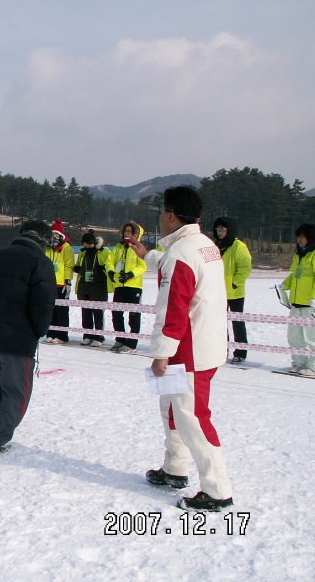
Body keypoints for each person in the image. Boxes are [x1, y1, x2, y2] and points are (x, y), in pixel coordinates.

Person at [132, 186, 233, 512]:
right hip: (202, 344)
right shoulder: (203, 246)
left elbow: (174, 308)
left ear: (171, 215)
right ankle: (175, 468)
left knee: (192, 418)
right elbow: (172, 263)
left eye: (162, 212)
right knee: (172, 410)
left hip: (187, 352)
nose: (160, 217)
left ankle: (217, 491)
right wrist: (147, 254)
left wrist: (161, 354)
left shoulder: (182, 254)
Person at [0, 220, 56, 455]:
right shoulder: (40, 262)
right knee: (18, 392)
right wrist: (38, 331)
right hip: (17, 337)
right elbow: (43, 304)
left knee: (9, 378)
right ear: (44, 240)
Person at [213, 217, 252, 364]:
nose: (220, 232)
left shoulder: (238, 246)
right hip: (218, 291)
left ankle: (240, 352)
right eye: (218, 229)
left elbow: (245, 268)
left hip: (234, 292)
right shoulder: (215, 245)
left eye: (223, 229)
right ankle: (222, 350)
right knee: (219, 323)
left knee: (237, 323)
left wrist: (235, 283)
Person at [106, 221, 147, 354]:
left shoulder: (138, 247)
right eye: (125, 231)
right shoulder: (118, 247)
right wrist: (110, 271)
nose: (127, 233)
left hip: (134, 286)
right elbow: (109, 262)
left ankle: (132, 343)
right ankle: (121, 339)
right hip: (119, 285)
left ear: (135, 233)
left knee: (133, 315)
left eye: (130, 231)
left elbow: (143, 266)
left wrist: (130, 274)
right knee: (116, 314)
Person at [282, 224, 315, 376]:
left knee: (312, 337)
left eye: (303, 237)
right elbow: (294, 274)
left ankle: (314, 366)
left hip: (310, 303)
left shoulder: (314, 254)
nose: (300, 240)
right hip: (295, 302)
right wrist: (285, 285)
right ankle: (299, 362)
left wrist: (314, 297)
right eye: (298, 237)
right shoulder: (298, 255)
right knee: (295, 335)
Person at [74, 230, 111, 346]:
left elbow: (109, 264)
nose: (88, 246)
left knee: (98, 313)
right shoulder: (83, 253)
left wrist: (103, 269)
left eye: (90, 244)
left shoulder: (103, 251)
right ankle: (87, 335)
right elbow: (79, 266)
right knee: (86, 312)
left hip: (98, 287)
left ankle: (98, 336)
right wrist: (78, 269)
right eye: (86, 244)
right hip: (85, 286)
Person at [42, 219, 75, 344]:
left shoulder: (67, 249)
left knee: (61, 310)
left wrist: (67, 281)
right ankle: (51, 332)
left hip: (61, 283)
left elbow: (69, 265)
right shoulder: (47, 248)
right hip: (48, 283)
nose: (55, 237)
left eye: (57, 235)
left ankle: (62, 335)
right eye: (53, 234)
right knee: (50, 310)